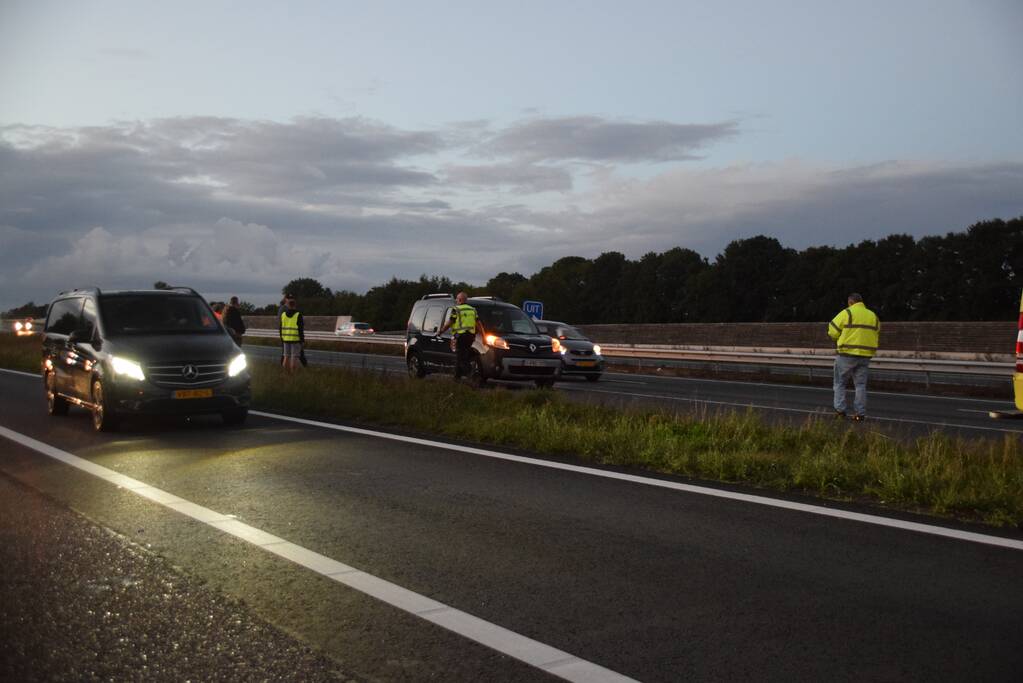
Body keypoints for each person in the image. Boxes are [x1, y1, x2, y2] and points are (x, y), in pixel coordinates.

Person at [828, 292, 880, 421]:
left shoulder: (847, 313)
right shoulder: (873, 316)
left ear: (850, 302)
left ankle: (840, 411)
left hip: (846, 354)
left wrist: (837, 337)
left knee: (840, 383)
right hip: (865, 355)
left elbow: (832, 330)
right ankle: (860, 414)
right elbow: (877, 331)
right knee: (860, 385)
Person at [437, 291, 485, 381]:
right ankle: (457, 378)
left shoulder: (456, 309)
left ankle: (472, 376)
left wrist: (441, 331)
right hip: (471, 337)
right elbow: (479, 324)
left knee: (462, 358)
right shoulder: (473, 310)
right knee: (461, 357)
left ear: (460, 299)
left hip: (461, 337)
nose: (456, 301)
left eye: (457, 299)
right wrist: (484, 336)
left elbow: (449, 323)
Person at [279, 296, 304, 373]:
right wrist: (302, 339)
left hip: (286, 339)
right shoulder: (298, 315)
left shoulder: (283, 315)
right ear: (295, 305)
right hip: (295, 339)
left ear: (288, 305)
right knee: (294, 357)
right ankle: (293, 373)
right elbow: (300, 329)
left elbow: (280, 327)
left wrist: (282, 338)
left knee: (286, 356)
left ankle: (285, 372)